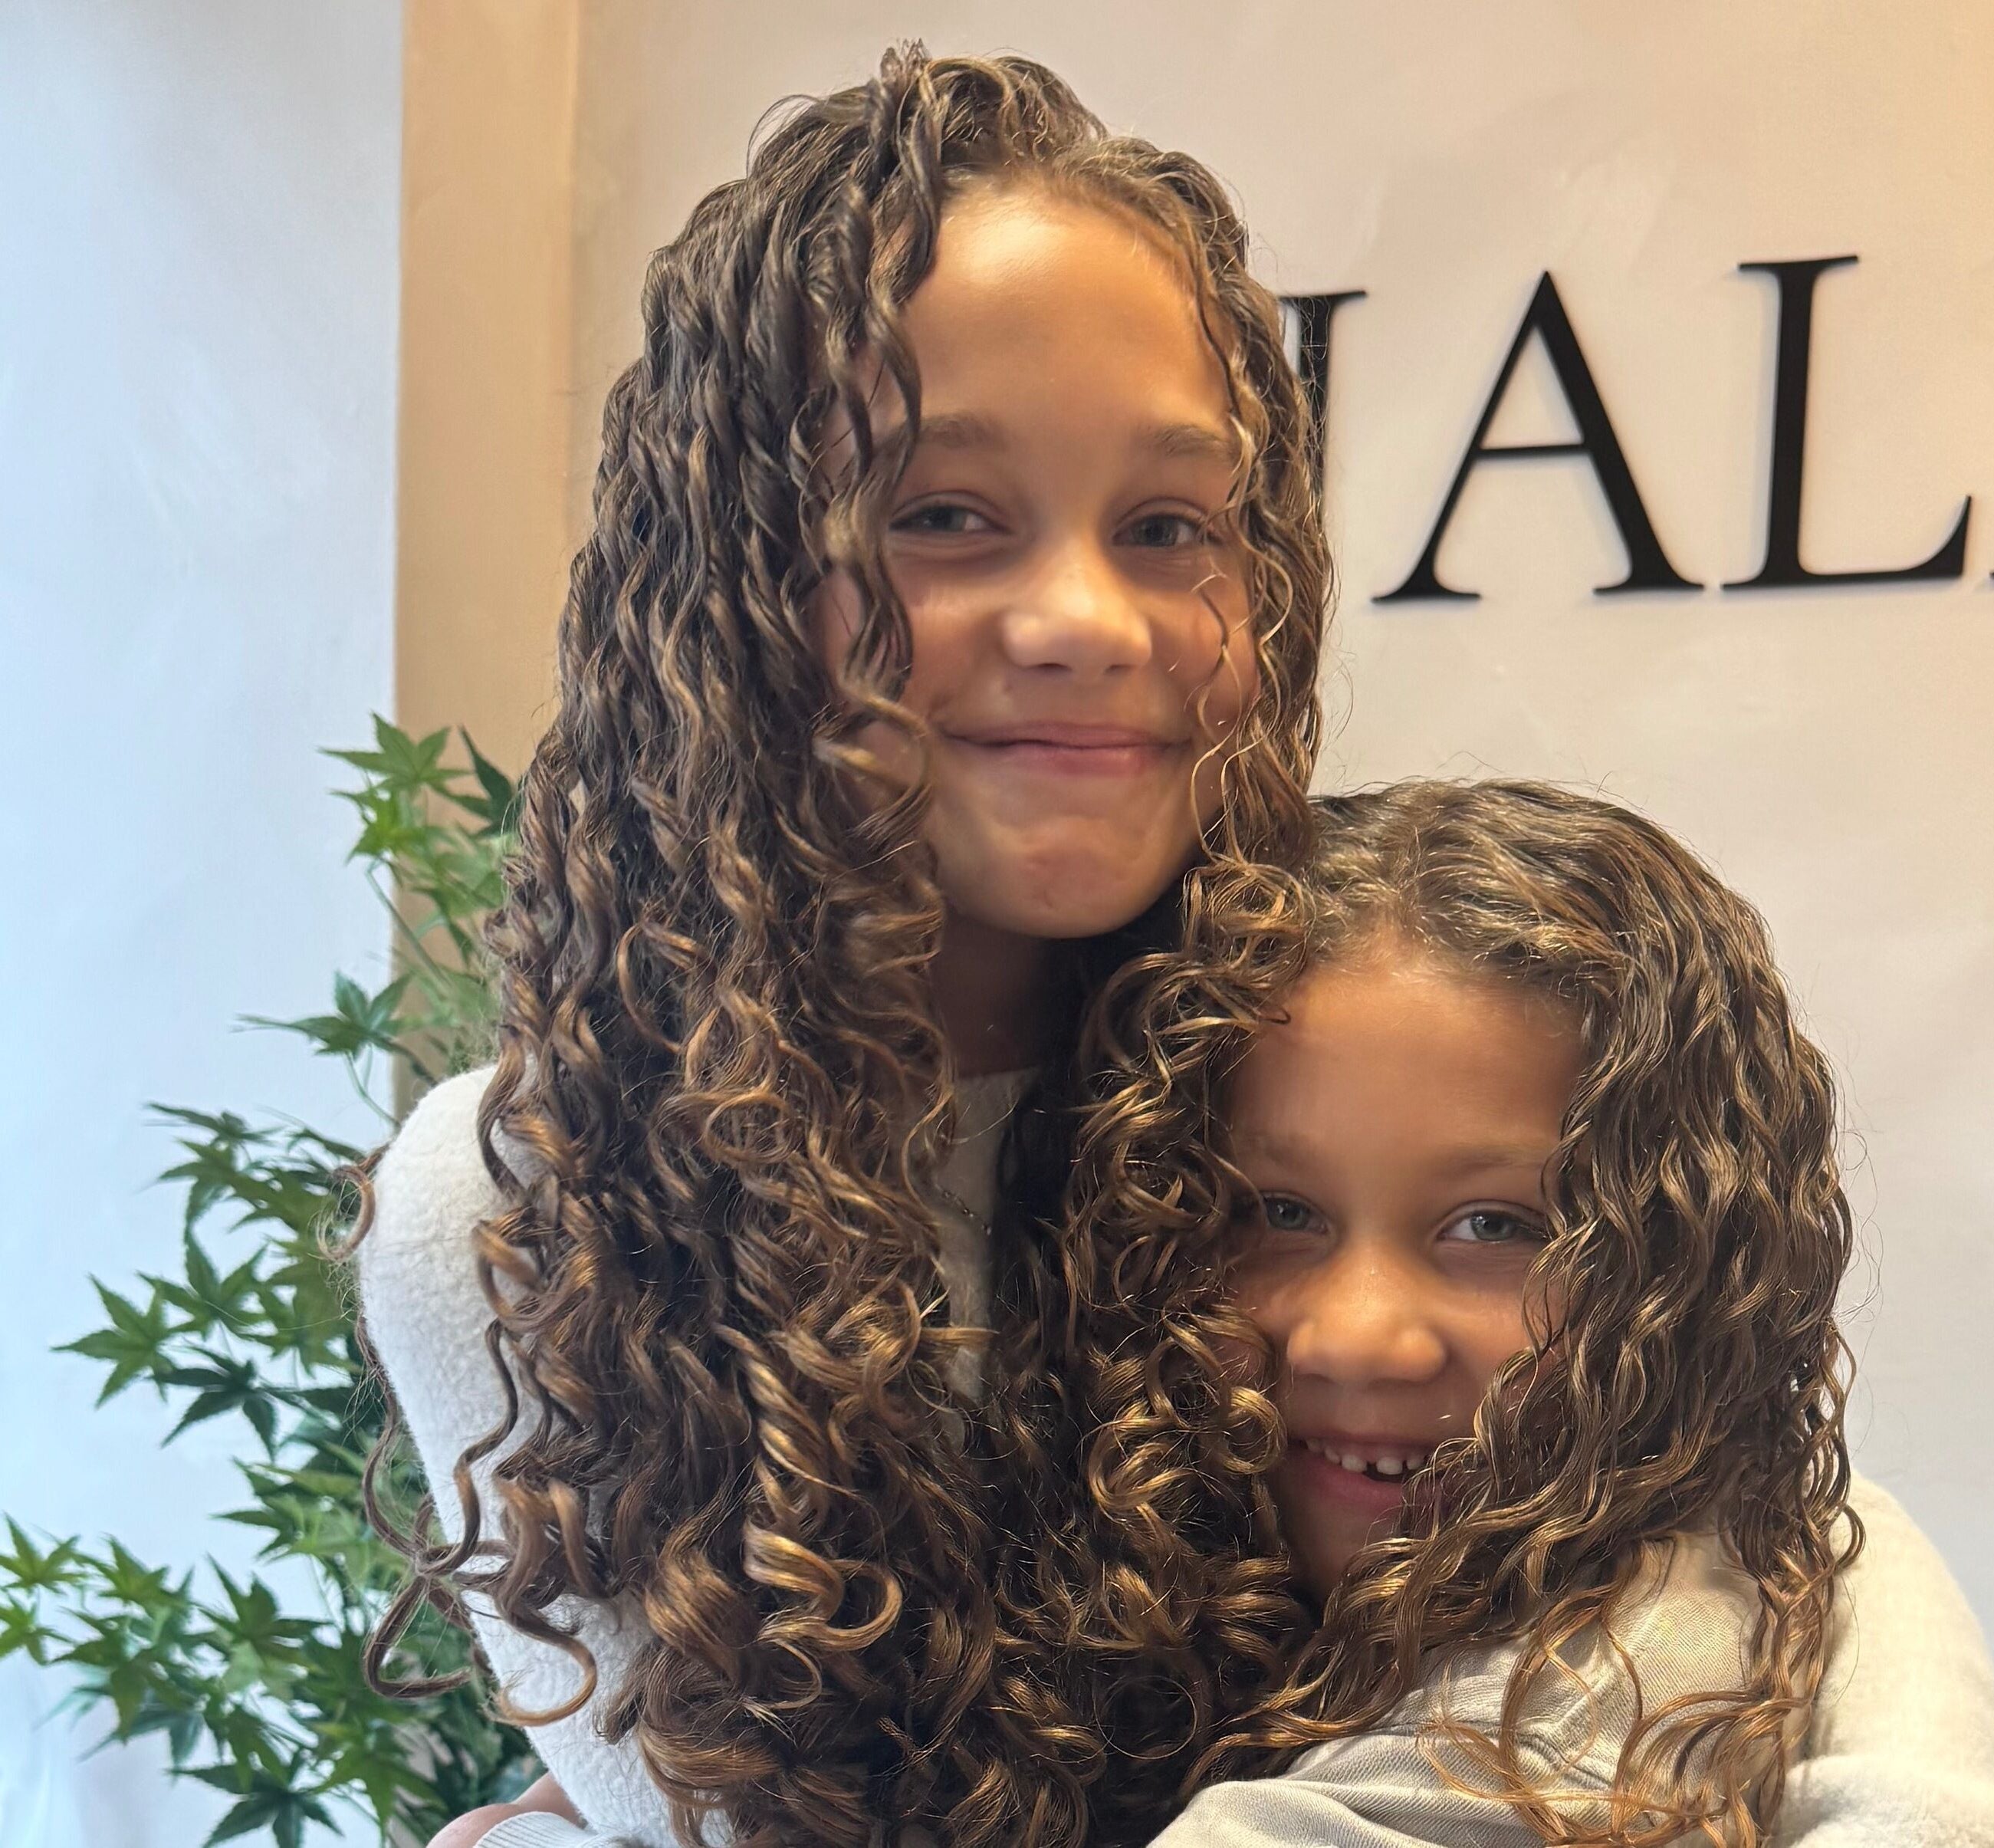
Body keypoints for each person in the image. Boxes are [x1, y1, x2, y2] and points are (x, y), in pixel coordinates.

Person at [359, 46, 1328, 1848]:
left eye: (1168, 527)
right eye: (943, 515)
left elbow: (1711, 1500)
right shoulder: (524, 1207)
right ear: (729, 591)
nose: (1082, 619)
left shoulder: (1355, 1077)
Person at [1032, 781, 1994, 1846]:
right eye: (1274, 1211)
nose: (1356, 1335)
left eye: (1494, 1227)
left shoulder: (1610, 1702)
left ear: (1691, 1263)